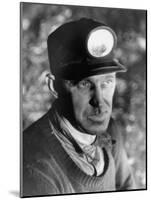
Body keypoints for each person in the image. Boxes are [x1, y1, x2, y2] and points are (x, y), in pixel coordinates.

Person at [22, 18, 136, 197]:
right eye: (84, 84)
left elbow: (129, 190)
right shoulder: (36, 169)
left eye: (107, 82)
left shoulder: (110, 132)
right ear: (54, 87)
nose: (100, 101)